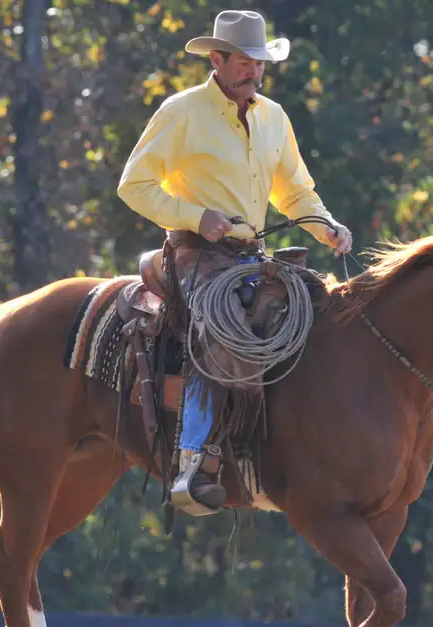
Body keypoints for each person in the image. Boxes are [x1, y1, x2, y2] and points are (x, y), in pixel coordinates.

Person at [117, 9, 353, 513]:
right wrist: (196, 217)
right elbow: (133, 185)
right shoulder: (181, 112)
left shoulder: (274, 117)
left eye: (259, 62)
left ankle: (297, 444)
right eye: (243, 61)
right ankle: (194, 458)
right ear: (217, 60)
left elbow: (296, 192)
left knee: (319, 308)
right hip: (193, 250)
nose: (254, 70)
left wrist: (326, 225)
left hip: (249, 255)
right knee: (224, 326)